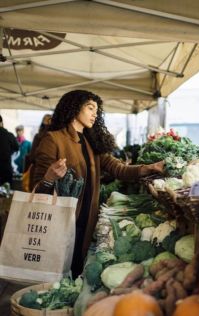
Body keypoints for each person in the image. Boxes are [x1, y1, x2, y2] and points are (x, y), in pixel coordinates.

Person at [32, 90, 164, 277]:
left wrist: (149, 168)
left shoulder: (91, 142)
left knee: (77, 271)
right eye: (90, 108)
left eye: (97, 110)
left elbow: (119, 169)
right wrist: (49, 177)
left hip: (87, 221)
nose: (95, 113)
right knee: (56, 273)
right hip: (61, 221)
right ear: (74, 108)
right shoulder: (53, 140)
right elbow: (37, 187)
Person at [0, 115, 20, 186]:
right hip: (6, 168)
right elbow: (17, 148)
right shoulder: (9, 135)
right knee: (6, 191)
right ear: (1, 122)